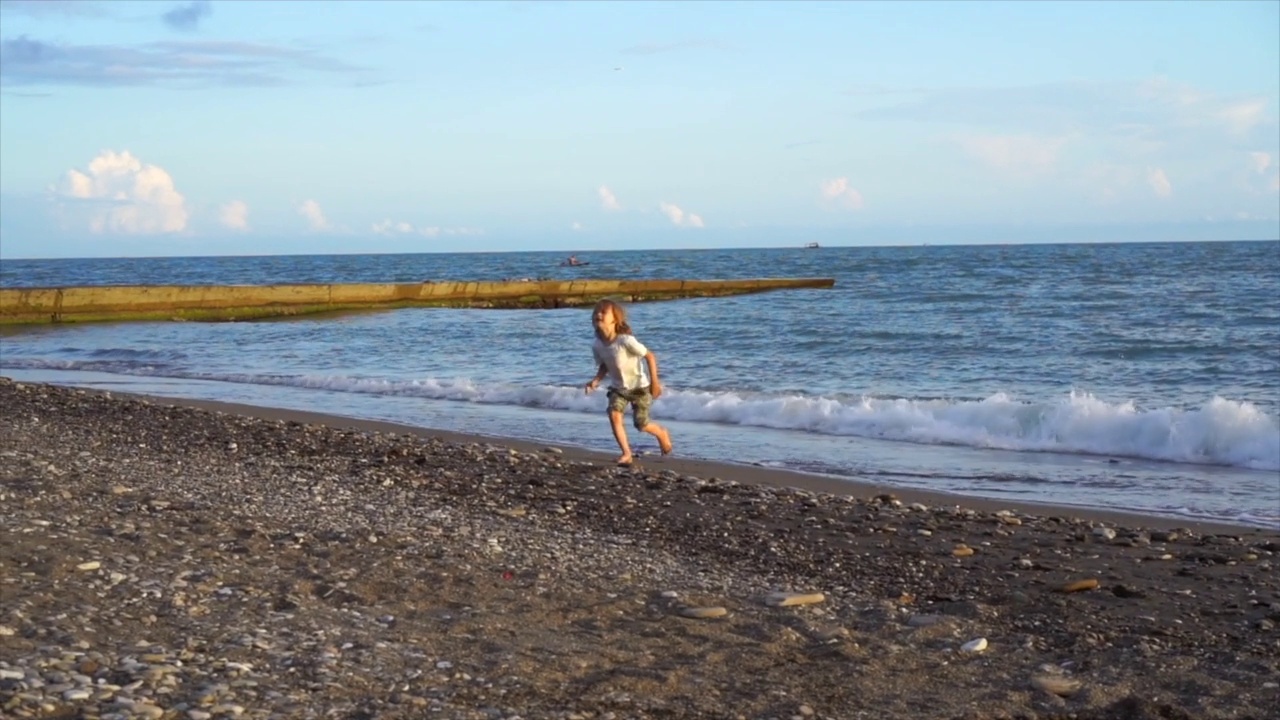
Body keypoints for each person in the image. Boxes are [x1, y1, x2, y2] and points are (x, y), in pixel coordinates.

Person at [583, 299, 673, 466]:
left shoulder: (625, 340)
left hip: (639, 388)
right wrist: (595, 381)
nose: (598, 315)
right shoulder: (597, 345)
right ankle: (626, 453)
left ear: (615, 319)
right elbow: (604, 365)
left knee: (641, 424)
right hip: (618, 388)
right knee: (614, 414)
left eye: (603, 312)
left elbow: (650, 356)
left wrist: (655, 382)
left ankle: (661, 433)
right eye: (595, 312)